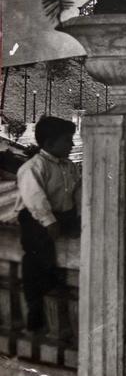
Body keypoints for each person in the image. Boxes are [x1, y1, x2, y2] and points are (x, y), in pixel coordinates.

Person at [14, 117, 81, 333]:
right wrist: (48, 221)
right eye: (67, 141)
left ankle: (54, 280)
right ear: (50, 143)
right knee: (35, 258)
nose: (72, 145)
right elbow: (35, 198)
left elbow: (76, 192)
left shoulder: (69, 166)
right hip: (36, 218)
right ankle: (35, 312)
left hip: (64, 214)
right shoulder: (33, 167)